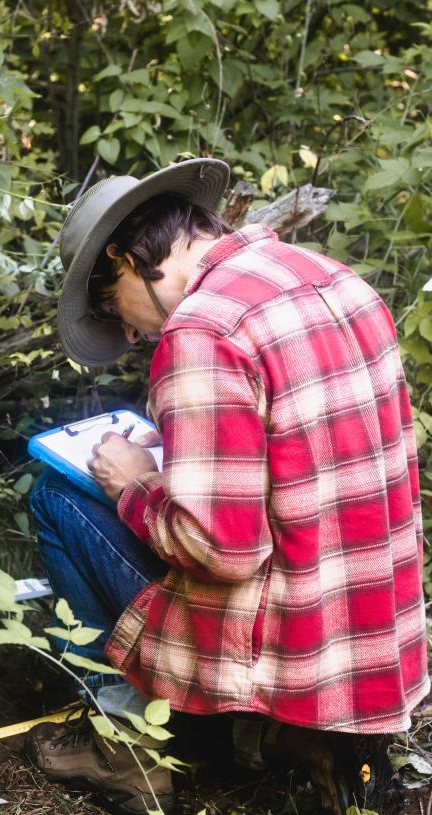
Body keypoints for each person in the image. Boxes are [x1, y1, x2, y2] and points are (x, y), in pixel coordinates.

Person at [25, 159, 429, 815]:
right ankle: (291, 737)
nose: (130, 334)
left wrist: (135, 483)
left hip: (289, 634)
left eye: (111, 308)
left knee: (56, 497)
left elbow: (223, 549)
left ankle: (126, 745)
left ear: (124, 259)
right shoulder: (331, 277)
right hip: (364, 634)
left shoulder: (203, 331)